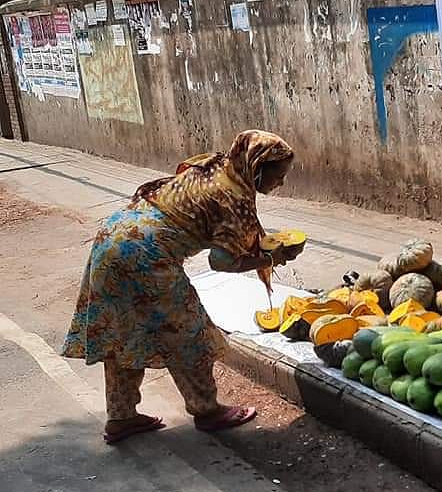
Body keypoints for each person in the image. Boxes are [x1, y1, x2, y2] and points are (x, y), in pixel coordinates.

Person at [63, 130, 300, 444]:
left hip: (112, 238)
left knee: (124, 334)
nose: (281, 183)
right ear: (256, 168)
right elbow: (222, 261)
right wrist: (271, 257)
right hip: (146, 252)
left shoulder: (215, 166)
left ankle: (121, 417)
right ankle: (207, 410)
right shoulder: (233, 196)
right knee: (189, 332)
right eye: (278, 176)